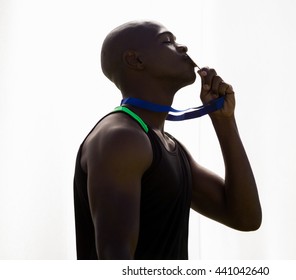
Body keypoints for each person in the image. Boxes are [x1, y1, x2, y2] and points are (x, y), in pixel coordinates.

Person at [73, 20, 261, 260]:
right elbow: (115, 259)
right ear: (135, 60)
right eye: (167, 41)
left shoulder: (167, 144)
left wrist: (224, 121)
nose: (182, 47)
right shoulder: (121, 139)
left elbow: (245, 217)